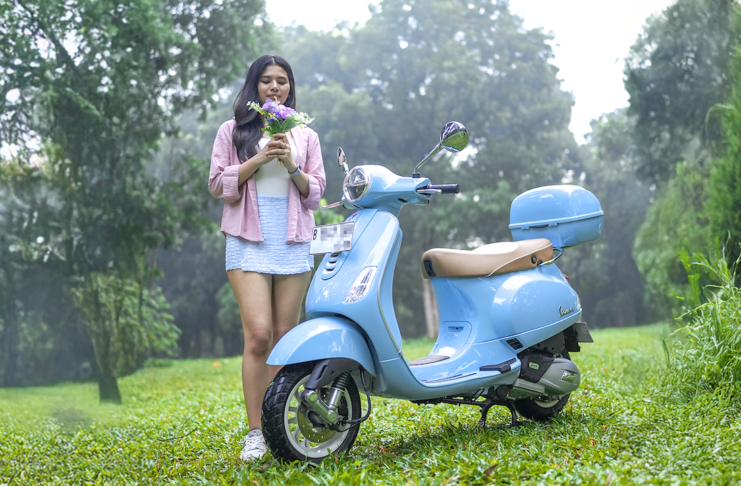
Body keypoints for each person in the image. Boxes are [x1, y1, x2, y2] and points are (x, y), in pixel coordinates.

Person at [208, 55, 326, 461]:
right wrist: (258, 158)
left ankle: (281, 429)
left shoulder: (305, 135)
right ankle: (256, 432)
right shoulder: (232, 131)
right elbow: (217, 184)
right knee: (258, 335)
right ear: (253, 87)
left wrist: (290, 162)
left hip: (292, 240)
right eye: (266, 80)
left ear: (290, 87)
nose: (274, 87)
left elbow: (315, 194)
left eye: (282, 80)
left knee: (284, 336)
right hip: (247, 239)